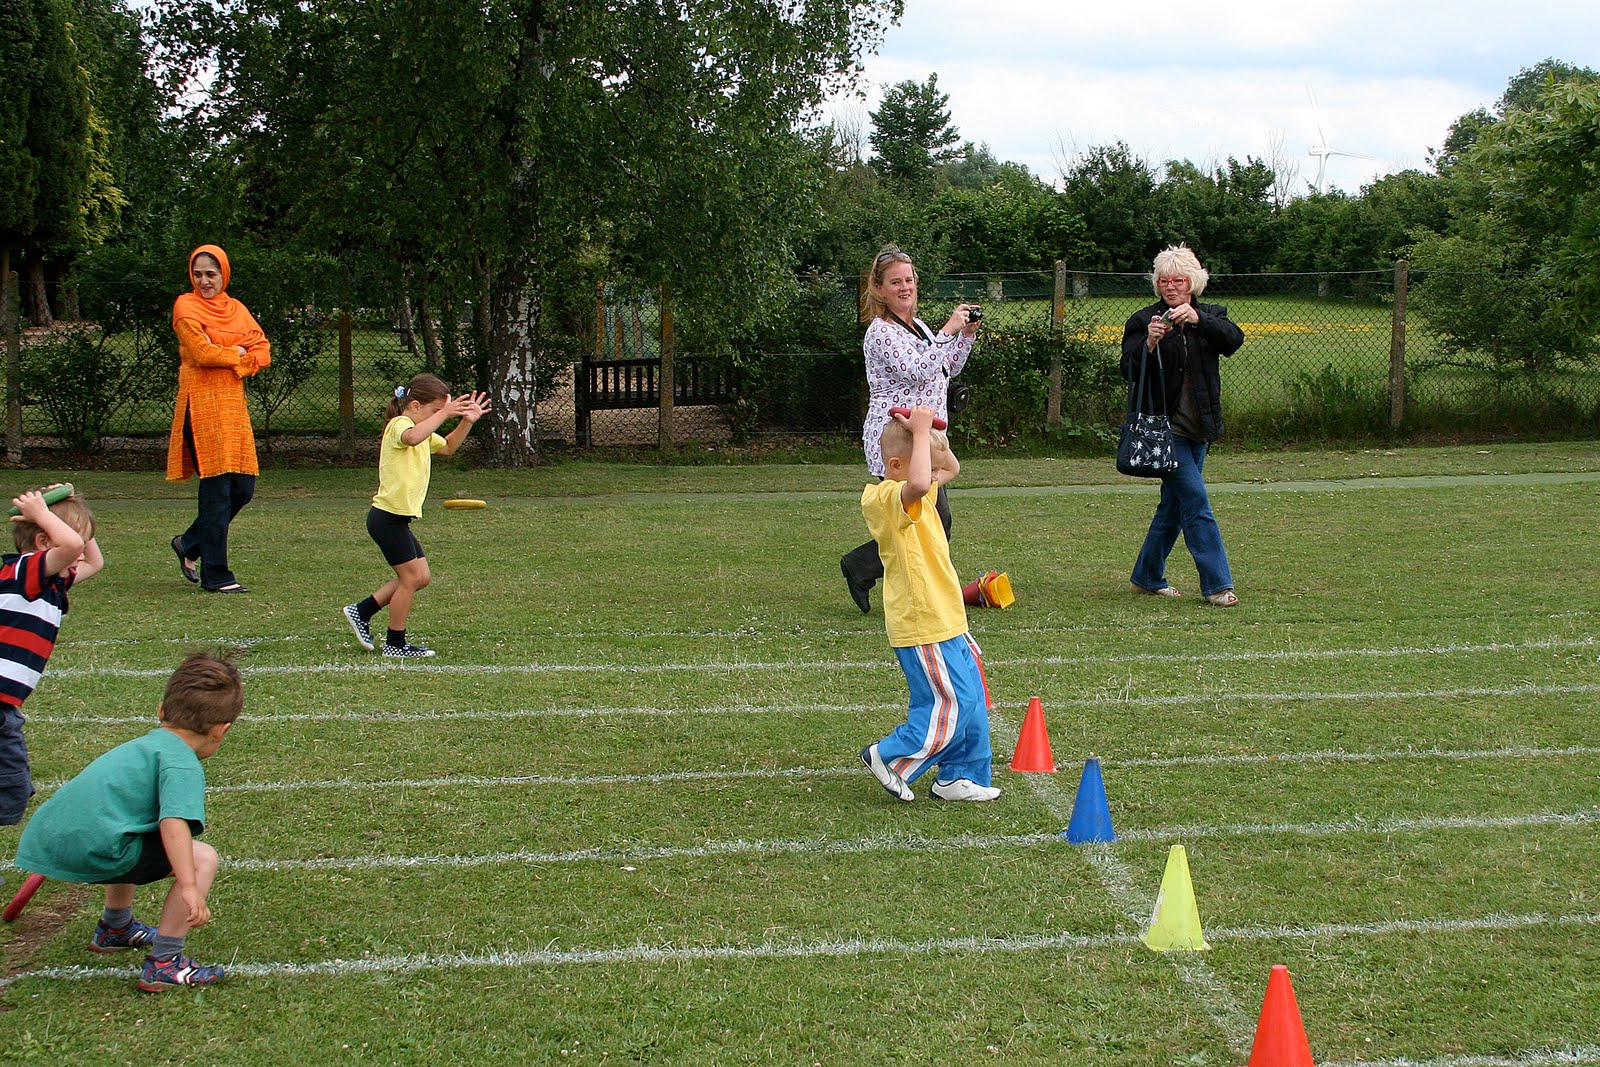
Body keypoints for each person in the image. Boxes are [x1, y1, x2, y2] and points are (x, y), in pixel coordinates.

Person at [13, 650, 243, 992]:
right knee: (202, 858)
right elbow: (174, 826)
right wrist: (191, 886)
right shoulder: (181, 764)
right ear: (220, 731)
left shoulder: (141, 747)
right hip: (93, 850)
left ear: (161, 711)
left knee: (131, 832)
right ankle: (166, 962)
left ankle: (115, 928)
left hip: (49, 841)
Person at [858, 407, 998, 803]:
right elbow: (920, 480)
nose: (935, 477)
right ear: (896, 464)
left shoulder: (919, 484)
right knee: (948, 703)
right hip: (922, 622)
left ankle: (958, 776)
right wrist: (920, 435)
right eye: (926, 468)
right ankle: (888, 755)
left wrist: (933, 434)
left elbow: (949, 467)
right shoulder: (885, 497)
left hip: (947, 617)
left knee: (971, 701)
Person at [840, 245, 980, 614]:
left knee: (925, 515)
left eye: (909, 280)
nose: (905, 287)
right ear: (880, 289)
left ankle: (864, 567)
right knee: (928, 515)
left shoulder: (916, 327)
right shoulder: (880, 332)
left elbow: (944, 366)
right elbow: (917, 370)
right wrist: (947, 330)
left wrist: (963, 336)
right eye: (895, 282)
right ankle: (875, 572)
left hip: (925, 434)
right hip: (897, 436)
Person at [1120, 244, 1244, 607]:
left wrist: (1199, 321)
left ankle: (1146, 576)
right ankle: (1218, 585)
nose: (1170, 286)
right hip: (1163, 430)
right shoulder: (1145, 320)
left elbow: (1233, 340)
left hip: (1199, 428)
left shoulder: (1210, 315)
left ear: (1193, 282)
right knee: (1196, 500)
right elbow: (1127, 369)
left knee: (1173, 507)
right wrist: (1151, 344)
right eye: (1163, 280)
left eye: (1178, 280)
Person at [342, 373, 490, 659]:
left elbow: (447, 447)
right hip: (386, 517)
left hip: (397, 519)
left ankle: (361, 611)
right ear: (415, 405)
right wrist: (445, 413)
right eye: (435, 411)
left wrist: (465, 422)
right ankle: (395, 644)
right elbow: (411, 438)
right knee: (410, 579)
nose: (438, 416)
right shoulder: (401, 424)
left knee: (420, 577)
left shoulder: (421, 428)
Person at [166, 244, 271, 594]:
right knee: (216, 491)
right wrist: (237, 352)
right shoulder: (186, 306)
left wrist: (237, 357)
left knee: (243, 488)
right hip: (201, 406)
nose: (204, 281)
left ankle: (190, 543)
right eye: (198, 274)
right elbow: (201, 352)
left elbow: (261, 350)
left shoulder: (236, 309)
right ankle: (217, 574)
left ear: (223, 274)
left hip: (232, 406)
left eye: (211, 274)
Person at [0, 485, 103, 828]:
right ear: (44, 543)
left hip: (6, 707)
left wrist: (74, 510)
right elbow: (72, 547)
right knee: (10, 788)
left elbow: (94, 560)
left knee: (11, 789)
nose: (78, 550)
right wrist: (43, 514)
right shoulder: (24, 572)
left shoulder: (53, 583)